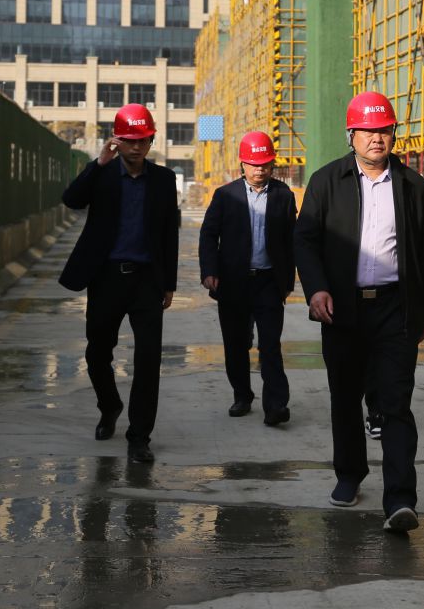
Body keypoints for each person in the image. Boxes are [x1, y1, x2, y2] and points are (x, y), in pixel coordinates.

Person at [294, 90, 424, 534]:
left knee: (396, 403)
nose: (378, 138)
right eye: (369, 131)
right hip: (343, 309)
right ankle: (349, 474)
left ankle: (401, 499)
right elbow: (305, 241)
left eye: (385, 130)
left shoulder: (412, 186)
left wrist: (422, 315)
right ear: (351, 134)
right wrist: (316, 289)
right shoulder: (326, 182)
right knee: (345, 397)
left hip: (395, 309)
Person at [59, 103, 180, 464]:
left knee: (148, 358)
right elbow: (71, 199)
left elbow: (169, 234)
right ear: (117, 140)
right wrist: (98, 164)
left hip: (147, 281)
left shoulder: (163, 180)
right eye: (130, 140)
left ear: (151, 141)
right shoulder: (102, 174)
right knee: (97, 352)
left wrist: (169, 283)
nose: (137, 147)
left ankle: (139, 436)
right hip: (106, 277)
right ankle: (109, 405)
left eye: (143, 140)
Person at [199, 131, 298, 425]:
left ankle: (276, 405)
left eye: (265, 164)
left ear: (272, 164)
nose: (259, 170)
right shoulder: (225, 196)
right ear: (242, 164)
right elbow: (208, 235)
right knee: (236, 343)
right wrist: (210, 270)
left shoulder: (283, 196)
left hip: (268, 282)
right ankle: (242, 395)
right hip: (233, 283)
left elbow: (293, 240)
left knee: (270, 345)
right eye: (254, 164)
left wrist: (289, 280)